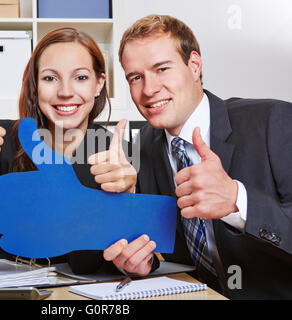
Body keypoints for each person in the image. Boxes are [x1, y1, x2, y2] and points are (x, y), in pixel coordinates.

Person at [104, 14, 292, 299]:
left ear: (194, 65)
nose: (149, 89)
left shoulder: (273, 121)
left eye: (162, 69)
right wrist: (144, 261)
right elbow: (165, 249)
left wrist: (237, 200)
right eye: (136, 77)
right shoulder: (142, 146)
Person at [0, 28, 139, 274]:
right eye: (50, 78)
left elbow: (110, 262)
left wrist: (127, 200)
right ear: (35, 86)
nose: (66, 92)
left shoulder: (118, 154)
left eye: (81, 77)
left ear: (99, 84)